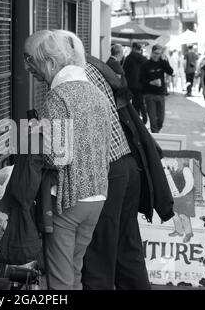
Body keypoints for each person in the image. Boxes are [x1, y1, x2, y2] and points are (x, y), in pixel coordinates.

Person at [56, 30, 174, 290]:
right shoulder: (93, 67)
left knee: (99, 257)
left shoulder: (74, 79)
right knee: (125, 250)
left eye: (35, 59)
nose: (32, 66)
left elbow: (76, 139)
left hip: (108, 173)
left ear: (56, 57)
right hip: (127, 166)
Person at [24, 30, 112, 290]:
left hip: (67, 198)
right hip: (96, 196)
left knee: (59, 280)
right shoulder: (96, 93)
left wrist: (34, 136)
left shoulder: (58, 96)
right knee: (74, 272)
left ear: (51, 63)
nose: (32, 70)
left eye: (34, 63)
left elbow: (56, 157)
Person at [141, 44, 174, 133]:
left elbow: (171, 71)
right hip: (149, 94)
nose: (156, 55)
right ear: (152, 53)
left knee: (160, 119)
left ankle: (156, 132)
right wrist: (151, 82)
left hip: (160, 94)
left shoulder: (162, 63)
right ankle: (155, 139)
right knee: (152, 119)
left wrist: (165, 61)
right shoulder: (146, 64)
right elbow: (141, 80)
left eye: (159, 54)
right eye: (155, 53)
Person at [163, 158, 195, 243]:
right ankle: (179, 231)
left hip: (185, 196)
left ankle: (188, 233)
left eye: (168, 161)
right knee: (174, 214)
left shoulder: (185, 169)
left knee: (183, 215)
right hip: (175, 195)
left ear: (175, 160)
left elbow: (190, 183)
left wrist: (182, 193)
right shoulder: (170, 170)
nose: (167, 163)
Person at [123, 42, 148, 123]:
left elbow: (124, 71)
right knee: (141, 102)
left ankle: (136, 120)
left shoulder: (129, 58)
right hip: (141, 84)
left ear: (133, 48)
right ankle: (144, 118)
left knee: (134, 103)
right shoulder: (144, 59)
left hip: (131, 84)